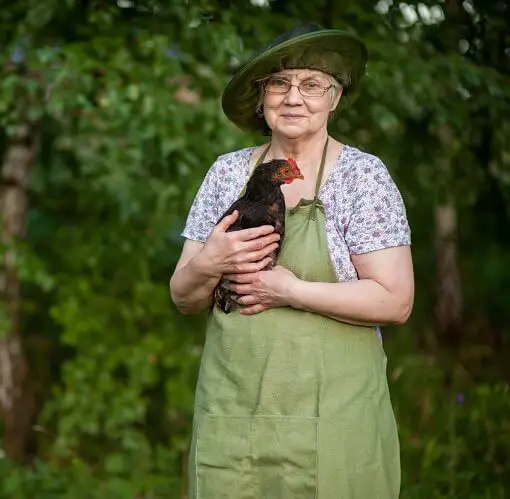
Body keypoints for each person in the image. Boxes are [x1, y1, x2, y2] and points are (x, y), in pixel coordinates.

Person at [169, 24, 414, 498]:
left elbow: (396, 300)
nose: (294, 98)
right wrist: (209, 261)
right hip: (235, 416)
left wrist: (288, 289)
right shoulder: (227, 173)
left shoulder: (361, 177)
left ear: (334, 99)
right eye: (279, 84)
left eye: (312, 84)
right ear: (261, 100)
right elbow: (184, 297)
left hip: (335, 418)